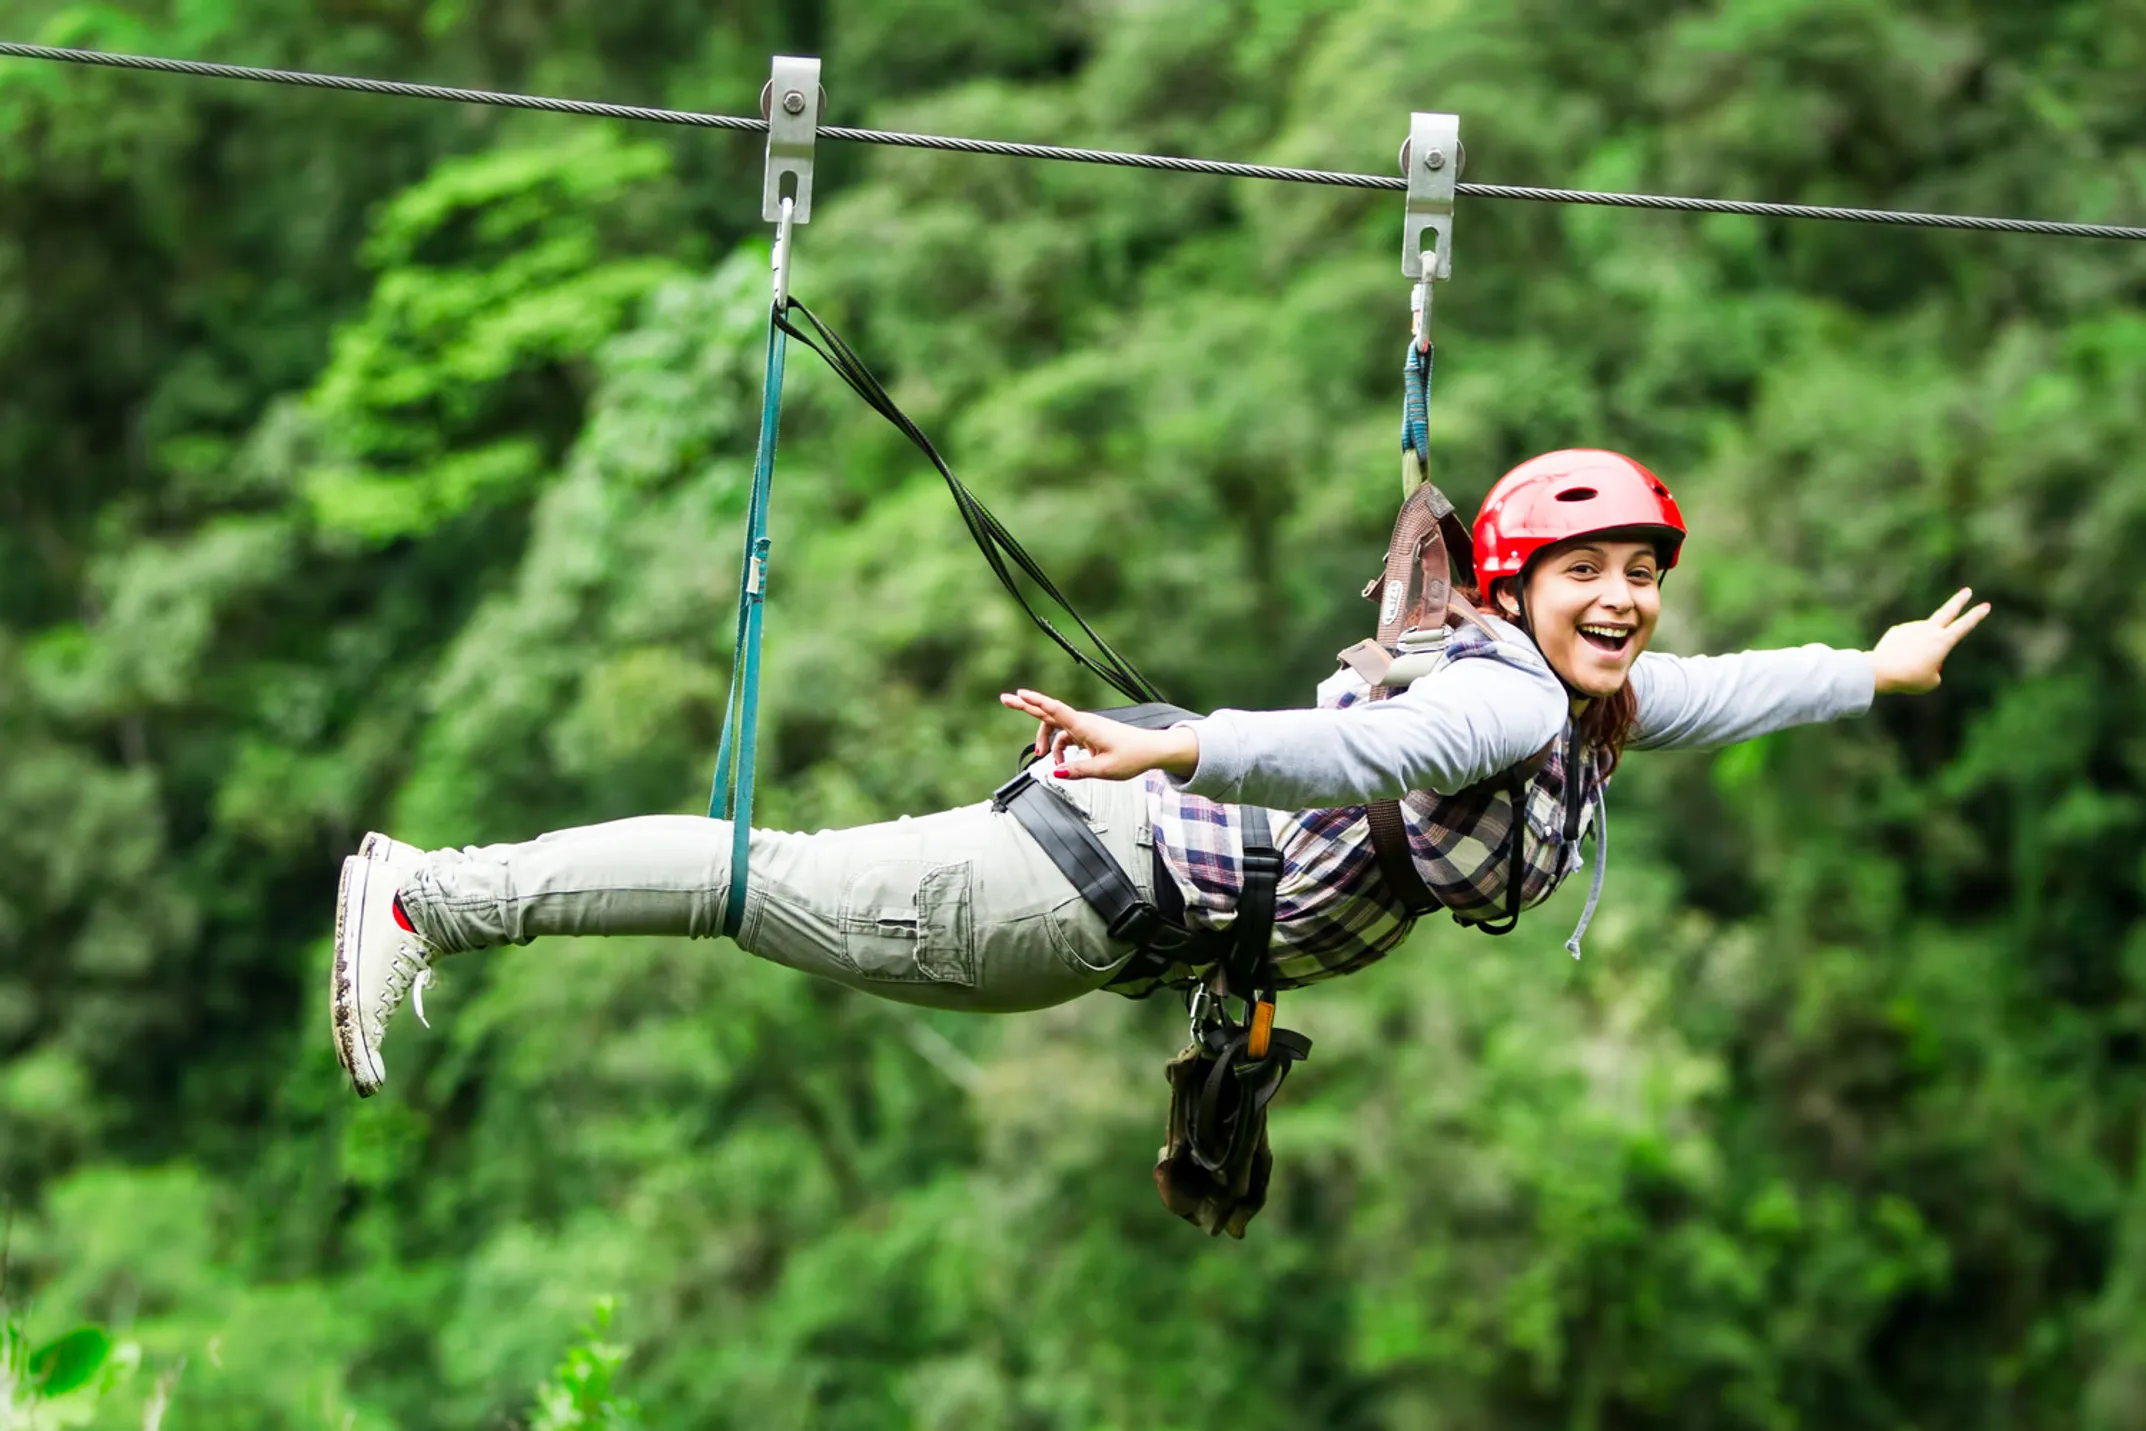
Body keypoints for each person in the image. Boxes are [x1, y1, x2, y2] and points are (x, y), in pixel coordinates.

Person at [330, 449, 1989, 1098]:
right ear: (1509, 589)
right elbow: (1366, 749)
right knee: (752, 882)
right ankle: (428, 893)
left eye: (1642, 570)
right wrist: (1183, 740)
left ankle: (440, 893)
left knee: (760, 884)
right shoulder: (1495, 704)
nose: (1624, 599)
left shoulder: (1576, 696)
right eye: (1588, 573)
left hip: (1103, 893)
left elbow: (1715, 690)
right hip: (1069, 892)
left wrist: (1871, 666)